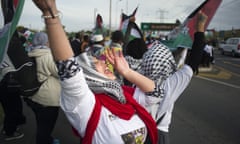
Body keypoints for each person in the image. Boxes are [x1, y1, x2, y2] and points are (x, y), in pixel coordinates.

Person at [31, 0, 158, 144]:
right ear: (87, 75)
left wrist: (128, 72)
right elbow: (68, 66)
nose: (105, 63)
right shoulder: (86, 105)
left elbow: (156, 93)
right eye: (96, 63)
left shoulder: (123, 94)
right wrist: (50, 14)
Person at [128, 12, 208, 144]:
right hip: (159, 134)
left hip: (136, 132)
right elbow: (194, 60)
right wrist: (200, 26)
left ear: (147, 60)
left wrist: (131, 25)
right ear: (168, 63)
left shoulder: (134, 77)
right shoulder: (170, 85)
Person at [24, 32, 61, 144]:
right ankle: (44, 140)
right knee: (46, 126)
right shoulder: (47, 55)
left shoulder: (30, 53)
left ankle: (47, 139)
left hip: (34, 95)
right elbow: (60, 73)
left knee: (41, 123)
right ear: (46, 42)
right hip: (48, 98)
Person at [0, 32, 26, 141]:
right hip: (8, 82)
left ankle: (8, 128)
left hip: (3, 81)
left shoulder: (3, 46)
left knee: (8, 108)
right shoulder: (9, 48)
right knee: (13, 108)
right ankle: (10, 132)